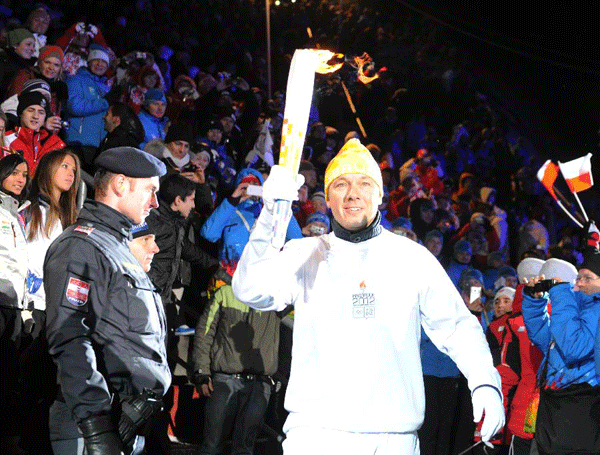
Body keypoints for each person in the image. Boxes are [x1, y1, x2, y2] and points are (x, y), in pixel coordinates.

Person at [231, 138, 504, 455]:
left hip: (391, 439)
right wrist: (270, 216)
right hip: (316, 435)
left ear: (380, 195)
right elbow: (249, 288)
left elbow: (456, 326)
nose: (352, 194)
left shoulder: (410, 258)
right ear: (329, 199)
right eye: (340, 184)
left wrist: (485, 381)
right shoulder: (305, 254)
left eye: (364, 183)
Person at [44, 147, 171, 455]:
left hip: (126, 417)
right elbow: (70, 338)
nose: (155, 203)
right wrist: (97, 427)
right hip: (94, 423)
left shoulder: (116, 247)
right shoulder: (81, 246)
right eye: (150, 191)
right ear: (121, 185)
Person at [522, 239, 600, 455]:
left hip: (581, 406)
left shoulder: (596, 310)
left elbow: (574, 347)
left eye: (588, 278)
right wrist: (535, 302)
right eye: (578, 277)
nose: (580, 283)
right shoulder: (575, 307)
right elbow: (546, 340)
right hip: (553, 404)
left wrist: (561, 293)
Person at [0, 154, 31, 455]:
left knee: (8, 375)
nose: (20, 178)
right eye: (14, 173)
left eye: (24, 174)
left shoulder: (17, 213)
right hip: (0, 299)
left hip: (13, 303)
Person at [64, 43, 111, 169]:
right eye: (96, 60)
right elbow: (75, 106)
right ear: (89, 62)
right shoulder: (76, 80)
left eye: (104, 62)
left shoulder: (105, 87)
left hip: (98, 146)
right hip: (79, 142)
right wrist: (105, 102)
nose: (100, 64)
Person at [6, 45, 68, 135]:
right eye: (47, 62)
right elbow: (13, 109)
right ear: (39, 63)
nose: (51, 67)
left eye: (56, 65)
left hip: (45, 137)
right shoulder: (25, 76)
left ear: (60, 68)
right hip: (21, 134)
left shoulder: (60, 88)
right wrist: (43, 123)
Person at [5, 90, 65, 175]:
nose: (36, 116)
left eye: (41, 112)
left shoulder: (55, 144)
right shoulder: (6, 139)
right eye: (30, 110)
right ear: (21, 113)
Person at [0, 28, 36, 97]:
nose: (32, 49)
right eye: (28, 44)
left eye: (34, 45)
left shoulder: (31, 68)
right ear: (15, 45)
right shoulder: (3, 63)